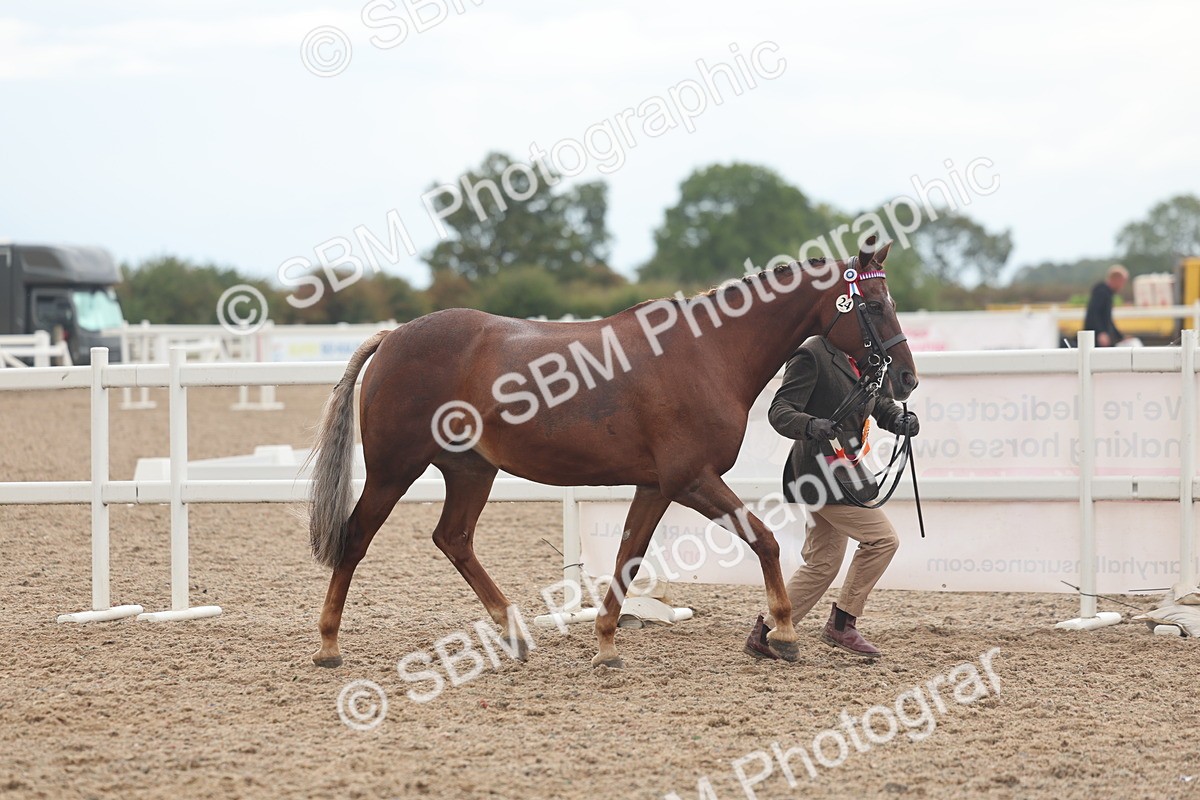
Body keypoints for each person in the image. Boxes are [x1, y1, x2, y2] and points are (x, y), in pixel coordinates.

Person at [744, 336, 919, 659]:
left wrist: (896, 419)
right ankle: (842, 623)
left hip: (847, 469)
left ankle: (767, 633)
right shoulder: (811, 355)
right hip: (819, 471)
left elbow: (876, 401)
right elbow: (780, 411)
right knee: (882, 540)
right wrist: (811, 425)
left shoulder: (864, 355)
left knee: (823, 564)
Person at [1083, 264, 1129, 347]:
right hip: (1096, 337)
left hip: (1100, 336)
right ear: (1117, 279)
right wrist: (1100, 333)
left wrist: (1121, 337)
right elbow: (1093, 313)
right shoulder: (1101, 292)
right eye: (1123, 282)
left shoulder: (1107, 293)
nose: (1123, 286)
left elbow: (1107, 320)